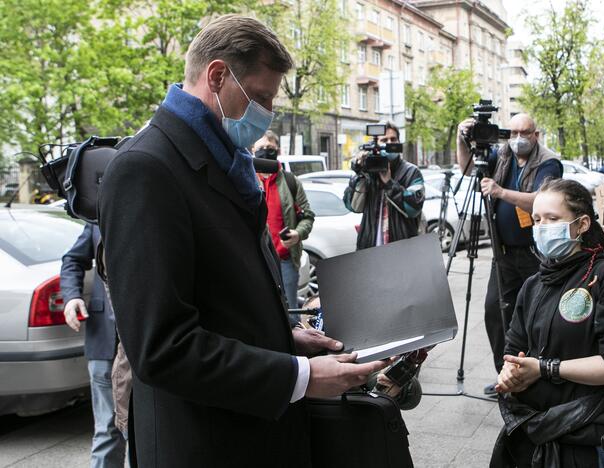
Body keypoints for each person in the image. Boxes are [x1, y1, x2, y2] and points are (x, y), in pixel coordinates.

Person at [97, 15, 387, 467]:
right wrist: (301, 376)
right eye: (261, 97)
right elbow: (162, 347)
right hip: (205, 445)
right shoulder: (146, 169)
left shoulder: (225, 161)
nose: (266, 113)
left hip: (254, 436)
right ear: (217, 77)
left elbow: (224, 304)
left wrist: (287, 341)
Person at [490, 179, 604, 468]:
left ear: (581, 225)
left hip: (586, 436)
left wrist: (545, 369)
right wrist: (510, 375)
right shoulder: (532, 285)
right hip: (531, 433)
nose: (542, 228)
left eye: (552, 219)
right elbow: (514, 349)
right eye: (537, 219)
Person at [456, 113, 563, 395]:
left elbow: (542, 199)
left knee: (534, 315)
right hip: (503, 253)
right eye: (513, 132)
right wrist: (462, 137)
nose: (518, 138)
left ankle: (534, 375)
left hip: (535, 253)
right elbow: (467, 168)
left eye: (524, 132)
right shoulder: (502, 155)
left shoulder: (548, 161)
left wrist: (500, 191)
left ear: (535, 134)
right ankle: (505, 376)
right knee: (495, 311)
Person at [60, 224, 126, 468]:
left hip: (140, 347)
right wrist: (72, 297)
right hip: (104, 343)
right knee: (106, 431)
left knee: (139, 432)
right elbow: (72, 260)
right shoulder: (96, 218)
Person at [254, 130, 315, 309]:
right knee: (263, 310)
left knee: (291, 311)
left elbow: (308, 216)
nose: (266, 151)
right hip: (258, 260)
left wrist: (298, 233)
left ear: (278, 151)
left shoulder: (290, 181)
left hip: (286, 259)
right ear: (252, 150)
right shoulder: (246, 180)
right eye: (261, 148)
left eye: (270, 148)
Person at [343, 121, 425, 250]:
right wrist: (360, 173)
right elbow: (352, 206)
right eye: (384, 140)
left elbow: (413, 208)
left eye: (393, 139)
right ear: (375, 145)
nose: (389, 143)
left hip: (401, 249)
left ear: (399, 142)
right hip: (370, 247)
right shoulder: (367, 171)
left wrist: (389, 183)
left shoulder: (411, 172)